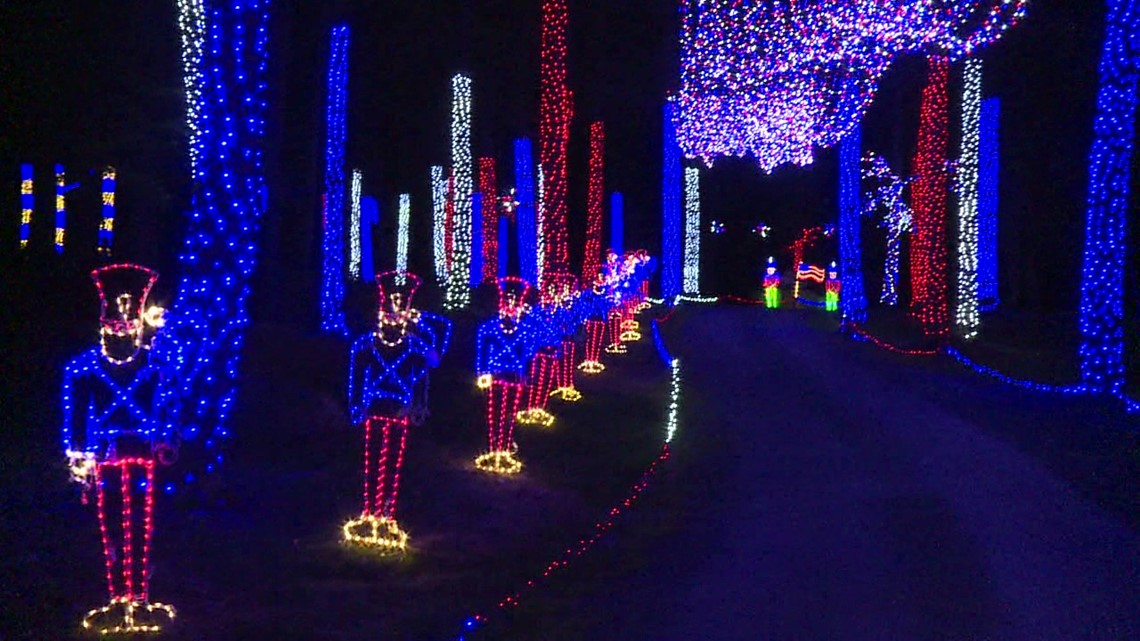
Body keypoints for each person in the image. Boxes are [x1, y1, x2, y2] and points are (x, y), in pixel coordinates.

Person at [61, 263, 177, 634]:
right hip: (106, 455)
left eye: (129, 321)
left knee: (141, 526)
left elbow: (169, 404)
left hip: (143, 454)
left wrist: (166, 440)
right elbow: (76, 416)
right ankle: (117, 598)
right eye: (116, 321)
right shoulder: (83, 368)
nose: (123, 328)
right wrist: (79, 457)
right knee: (112, 526)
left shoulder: (157, 364)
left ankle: (139, 598)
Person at [345, 271, 451, 550]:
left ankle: (387, 515)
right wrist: (357, 405)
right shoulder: (366, 344)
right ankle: (369, 512)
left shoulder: (416, 346)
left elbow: (432, 365)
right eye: (390, 304)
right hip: (374, 406)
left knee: (392, 461)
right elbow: (357, 378)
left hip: (400, 409)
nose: (395, 311)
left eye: (401, 305)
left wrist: (418, 406)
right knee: (371, 461)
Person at [473, 277, 544, 474]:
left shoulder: (525, 330)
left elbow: (530, 353)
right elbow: (481, 352)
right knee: (494, 411)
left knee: (510, 413)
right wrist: (482, 372)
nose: (510, 308)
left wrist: (526, 373)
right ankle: (494, 446)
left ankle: (505, 447)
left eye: (515, 304)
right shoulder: (489, 327)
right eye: (507, 303)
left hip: (514, 376)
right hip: (495, 375)